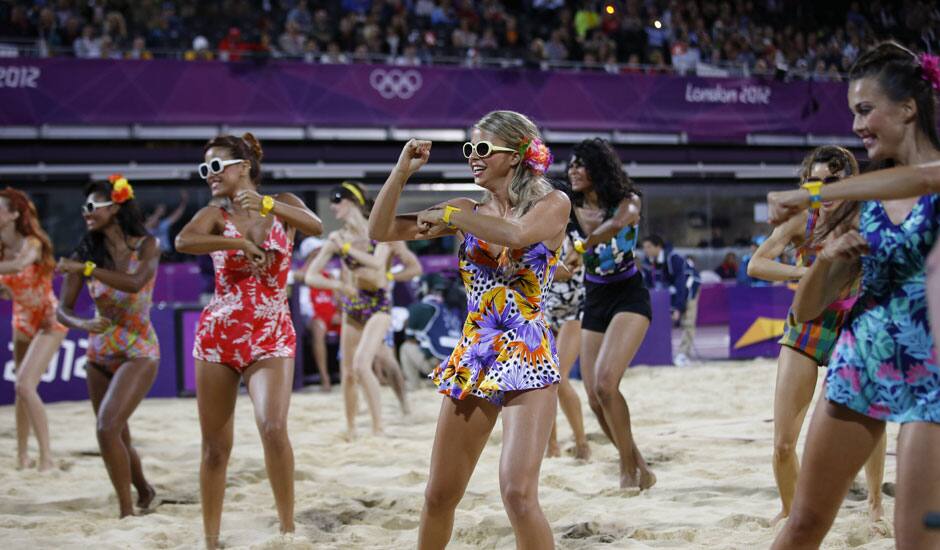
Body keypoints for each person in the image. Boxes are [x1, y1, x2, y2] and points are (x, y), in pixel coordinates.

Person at [765, 42, 940, 549]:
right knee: (803, 524)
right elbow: (805, 310)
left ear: (908, 107)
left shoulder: (891, 185)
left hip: (932, 374)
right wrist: (829, 257)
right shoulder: (861, 200)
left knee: (916, 540)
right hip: (862, 362)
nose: (857, 125)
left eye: (866, 110)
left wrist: (811, 194)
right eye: (852, 113)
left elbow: (925, 176)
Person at [368, 110, 567, 549]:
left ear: (515, 155)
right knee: (439, 494)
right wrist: (401, 171)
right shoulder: (465, 209)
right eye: (468, 150)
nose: (472, 158)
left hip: (528, 352)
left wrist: (453, 218)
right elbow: (380, 230)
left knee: (518, 494)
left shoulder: (553, 205)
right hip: (475, 352)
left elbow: (516, 234)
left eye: (482, 149)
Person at [175, 133, 322, 549]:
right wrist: (237, 241)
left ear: (243, 167)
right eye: (204, 169)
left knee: (272, 426)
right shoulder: (213, 214)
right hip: (218, 336)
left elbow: (315, 225)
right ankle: (211, 539)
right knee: (214, 449)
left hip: (271, 332)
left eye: (216, 167)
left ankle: (288, 529)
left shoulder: (282, 202)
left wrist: (269, 205)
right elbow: (184, 242)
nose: (209, 176)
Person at [748, 146, 886, 525]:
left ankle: (875, 504)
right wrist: (802, 276)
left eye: (832, 182)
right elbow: (756, 263)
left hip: (855, 326)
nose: (823, 190)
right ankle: (791, 513)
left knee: (868, 424)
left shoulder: (866, 218)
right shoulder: (802, 221)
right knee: (783, 444)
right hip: (806, 327)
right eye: (815, 181)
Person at [55, 175, 159, 518]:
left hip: (139, 348)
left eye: (92, 206)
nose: (85, 212)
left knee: (106, 427)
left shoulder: (146, 245)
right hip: (98, 350)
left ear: (115, 207)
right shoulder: (86, 250)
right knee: (116, 434)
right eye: (83, 207)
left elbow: (134, 283)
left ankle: (126, 512)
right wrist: (82, 324)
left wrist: (87, 269)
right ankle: (143, 492)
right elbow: (63, 309)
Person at [568, 138, 655, 489]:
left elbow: (618, 225)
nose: (573, 170)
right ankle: (640, 466)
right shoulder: (568, 205)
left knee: (606, 384)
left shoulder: (628, 201)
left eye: (580, 164)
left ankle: (626, 470)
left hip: (628, 295)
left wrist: (582, 246)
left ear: (598, 168)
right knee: (593, 396)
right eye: (570, 164)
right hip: (594, 297)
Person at [304, 181, 421, 438]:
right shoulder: (339, 237)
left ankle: (400, 408)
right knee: (349, 373)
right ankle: (352, 428)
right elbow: (310, 275)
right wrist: (337, 283)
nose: (333, 206)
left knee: (384, 362)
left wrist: (390, 276)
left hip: (379, 304)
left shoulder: (380, 232)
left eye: (337, 199)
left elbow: (410, 268)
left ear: (354, 202)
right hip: (353, 306)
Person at [0, 188, 67, 471]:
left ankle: (47, 458)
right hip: (22, 319)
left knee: (25, 385)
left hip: (48, 319)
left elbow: (19, 266)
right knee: (20, 392)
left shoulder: (33, 243)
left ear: (14, 214)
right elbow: (7, 288)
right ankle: (22, 455)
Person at [542, 179, 590, 460]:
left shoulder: (576, 236)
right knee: (544, 381)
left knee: (558, 378)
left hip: (574, 311)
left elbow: (570, 268)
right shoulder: (536, 231)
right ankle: (552, 446)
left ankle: (582, 443)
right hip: (545, 312)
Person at [641, 234, 696, 366]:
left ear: (658, 246)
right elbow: (649, 285)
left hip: (689, 287)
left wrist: (678, 307)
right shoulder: (647, 262)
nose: (646, 250)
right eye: (644, 247)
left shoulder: (674, 259)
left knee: (687, 321)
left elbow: (681, 285)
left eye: (648, 247)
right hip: (668, 292)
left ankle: (683, 354)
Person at [293, 236, 338, 391]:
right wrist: (311, 260)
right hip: (312, 317)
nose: (322, 255)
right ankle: (324, 377)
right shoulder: (302, 273)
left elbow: (338, 301)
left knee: (354, 321)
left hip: (330, 314)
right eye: (318, 252)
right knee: (319, 327)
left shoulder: (329, 275)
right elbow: (298, 276)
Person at [144, 189, 189, 258]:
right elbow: (148, 225)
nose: (156, 220)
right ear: (148, 217)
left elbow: (177, 214)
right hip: (151, 255)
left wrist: (184, 201)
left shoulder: (163, 224)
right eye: (153, 217)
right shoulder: (146, 227)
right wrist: (158, 213)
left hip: (165, 255)